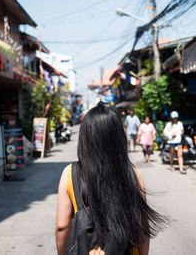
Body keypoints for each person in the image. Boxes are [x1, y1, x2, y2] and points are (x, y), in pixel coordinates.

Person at [55, 102, 165, 255]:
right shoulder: (133, 173)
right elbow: (142, 227)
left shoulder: (70, 174)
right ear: (118, 137)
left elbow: (62, 226)